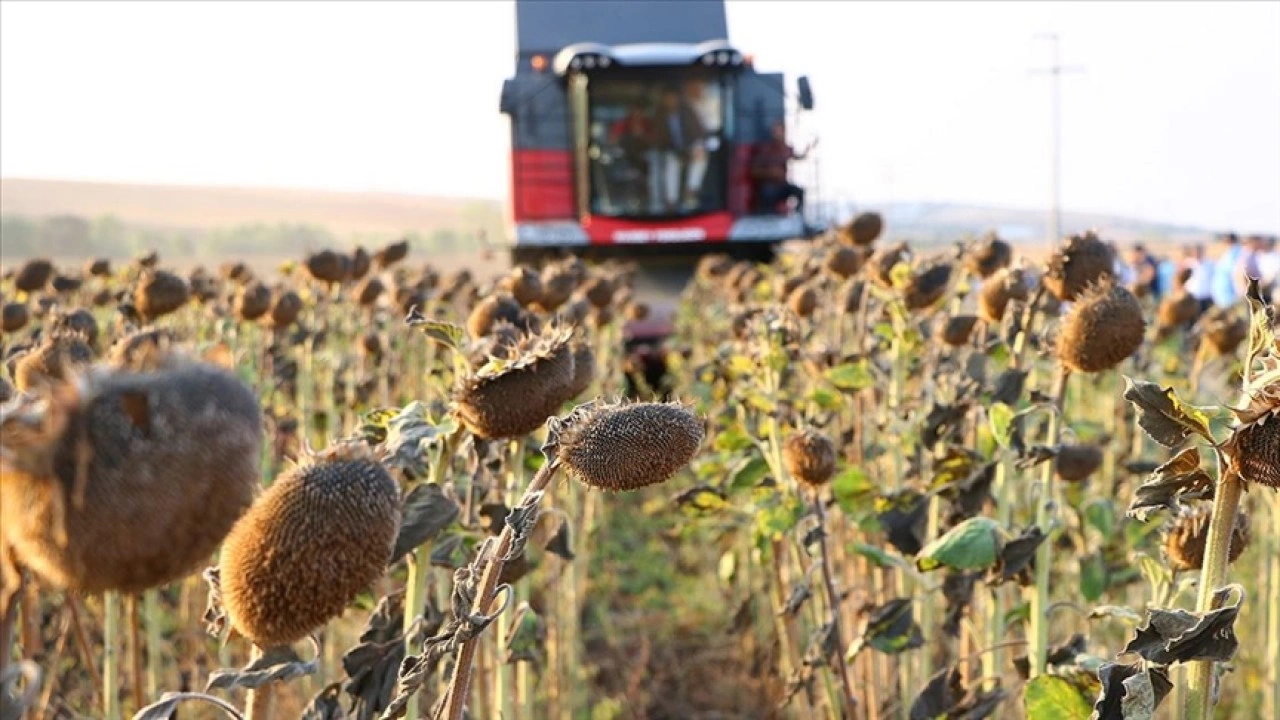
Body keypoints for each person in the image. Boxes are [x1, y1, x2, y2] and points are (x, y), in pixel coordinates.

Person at [651, 85, 707, 212]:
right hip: (671, 150)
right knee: (671, 162)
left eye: (673, 97)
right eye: (668, 98)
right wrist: (674, 151)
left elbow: (698, 133)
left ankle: (691, 190)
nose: (671, 101)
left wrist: (694, 147)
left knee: (700, 154)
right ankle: (671, 201)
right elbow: (659, 139)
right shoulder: (659, 115)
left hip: (689, 147)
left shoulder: (687, 111)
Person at [751, 121, 814, 214]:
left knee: (799, 191)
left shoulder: (786, 149)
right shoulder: (765, 150)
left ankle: (797, 214)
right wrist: (770, 173)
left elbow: (798, 157)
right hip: (769, 186)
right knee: (767, 194)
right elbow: (754, 171)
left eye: (779, 131)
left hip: (782, 185)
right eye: (775, 131)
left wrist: (808, 148)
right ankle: (768, 216)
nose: (776, 134)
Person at [1209, 232, 1242, 307]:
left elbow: (1238, 275)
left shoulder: (1236, 253)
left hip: (1230, 298)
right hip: (1224, 298)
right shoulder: (1228, 253)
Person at [1180, 244, 1214, 312]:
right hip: (1191, 297)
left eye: (1199, 251)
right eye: (1195, 252)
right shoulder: (1187, 263)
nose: (1197, 254)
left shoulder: (1210, 264)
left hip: (1206, 297)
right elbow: (1180, 279)